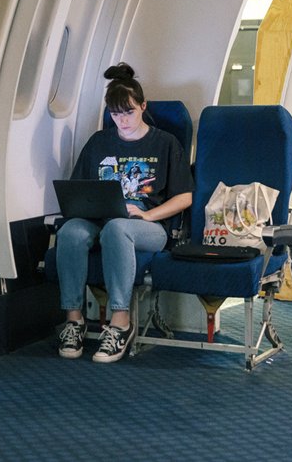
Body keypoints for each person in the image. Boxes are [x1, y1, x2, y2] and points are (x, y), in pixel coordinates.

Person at [55, 62, 193, 362]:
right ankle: (74, 320)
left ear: (143, 106)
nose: (122, 120)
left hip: (148, 225)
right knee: (70, 231)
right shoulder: (99, 143)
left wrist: (147, 215)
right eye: (116, 114)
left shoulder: (165, 143)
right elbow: (80, 189)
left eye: (128, 112)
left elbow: (184, 197)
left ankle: (120, 323)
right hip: (100, 218)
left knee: (118, 228)